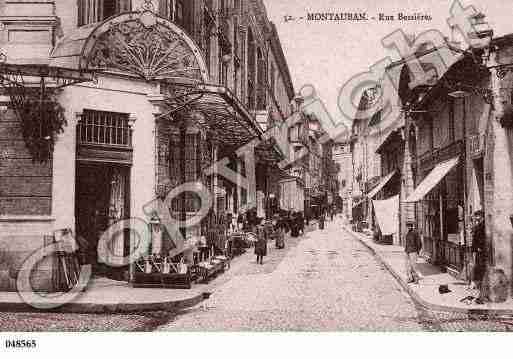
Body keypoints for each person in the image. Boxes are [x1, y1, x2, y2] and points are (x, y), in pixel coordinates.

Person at [471, 210, 486, 303]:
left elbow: (483, 238)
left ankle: (481, 297)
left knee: (481, 274)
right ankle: (480, 296)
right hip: (478, 252)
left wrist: (479, 248)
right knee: (479, 273)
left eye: (477, 216)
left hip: (481, 253)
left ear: (481, 216)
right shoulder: (479, 225)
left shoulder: (483, 226)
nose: (476, 218)